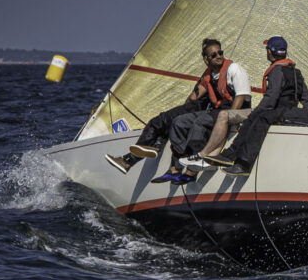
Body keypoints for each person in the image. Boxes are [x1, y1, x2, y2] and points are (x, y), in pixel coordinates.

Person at [103, 38, 247, 176]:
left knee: (178, 121)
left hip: (214, 111)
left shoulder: (232, 69)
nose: (218, 56)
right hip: (201, 107)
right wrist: (179, 112)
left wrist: (230, 119)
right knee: (162, 119)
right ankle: (143, 152)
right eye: (213, 54)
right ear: (206, 59)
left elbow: (238, 99)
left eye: (220, 53)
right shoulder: (208, 75)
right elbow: (193, 97)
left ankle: (148, 156)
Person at [203, 35, 308, 176]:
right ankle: (230, 156)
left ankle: (238, 161)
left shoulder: (277, 70)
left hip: (278, 112)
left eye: (267, 49)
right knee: (257, 116)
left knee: (254, 119)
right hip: (290, 112)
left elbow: (270, 99)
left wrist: (254, 112)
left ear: (270, 52)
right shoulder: (295, 71)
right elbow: (306, 100)